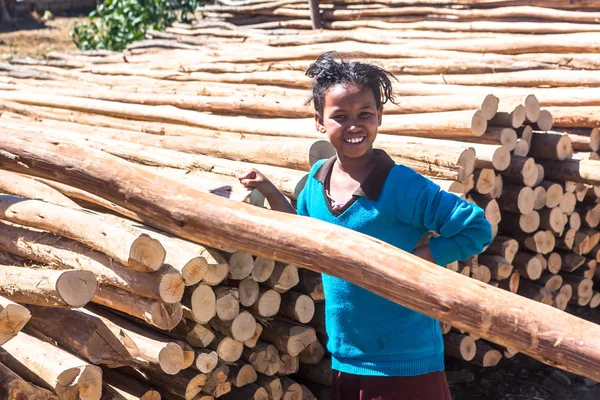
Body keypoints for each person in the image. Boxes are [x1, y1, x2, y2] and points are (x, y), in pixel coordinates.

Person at [239, 51, 493, 400]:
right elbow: (301, 235)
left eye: (365, 114)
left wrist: (419, 258)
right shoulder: (317, 181)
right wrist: (269, 189)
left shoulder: (402, 185)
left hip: (407, 361)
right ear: (319, 121)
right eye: (340, 116)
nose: (354, 126)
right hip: (347, 356)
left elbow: (476, 227)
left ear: (380, 117)